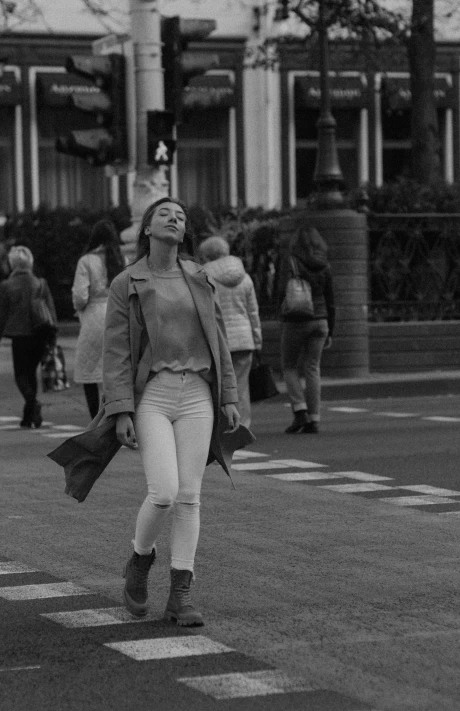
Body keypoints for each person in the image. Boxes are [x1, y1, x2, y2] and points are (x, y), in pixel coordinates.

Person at [102, 198, 240, 626]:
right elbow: (117, 352)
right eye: (166, 213)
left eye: (181, 216)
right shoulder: (127, 281)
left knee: (189, 495)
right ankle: (140, 560)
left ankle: (180, 594)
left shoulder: (198, 277)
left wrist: (230, 396)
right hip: (154, 396)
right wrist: (121, 410)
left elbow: (218, 339)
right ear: (147, 227)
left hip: (198, 392)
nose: (175, 219)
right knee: (163, 491)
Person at [198, 236, 262, 429]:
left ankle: (220, 427)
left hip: (218, 339)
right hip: (244, 339)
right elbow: (253, 312)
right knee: (241, 387)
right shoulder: (245, 277)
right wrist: (257, 340)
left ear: (207, 255)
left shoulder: (203, 277)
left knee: (217, 386)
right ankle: (242, 427)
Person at [278, 226, 335, 434]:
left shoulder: (291, 261)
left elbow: (280, 290)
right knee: (313, 368)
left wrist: (280, 313)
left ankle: (299, 410)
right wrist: (331, 330)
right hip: (321, 321)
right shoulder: (325, 265)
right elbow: (331, 300)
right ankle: (315, 418)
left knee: (289, 365)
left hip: (296, 319)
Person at [0, 245, 57, 428]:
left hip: (19, 335)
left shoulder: (6, 286)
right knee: (31, 373)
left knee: (21, 375)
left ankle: (32, 405)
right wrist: (53, 336)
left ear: (12, 264)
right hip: (40, 334)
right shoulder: (41, 283)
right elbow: (51, 311)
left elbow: (1, 315)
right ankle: (28, 415)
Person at [72, 219, 125, 419]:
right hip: (118, 315)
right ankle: (116, 414)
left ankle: (95, 417)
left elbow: (80, 296)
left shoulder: (86, 261)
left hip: (93, 317)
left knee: (89, 371)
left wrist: (79, 309)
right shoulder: (121, 260)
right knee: (116, 371)